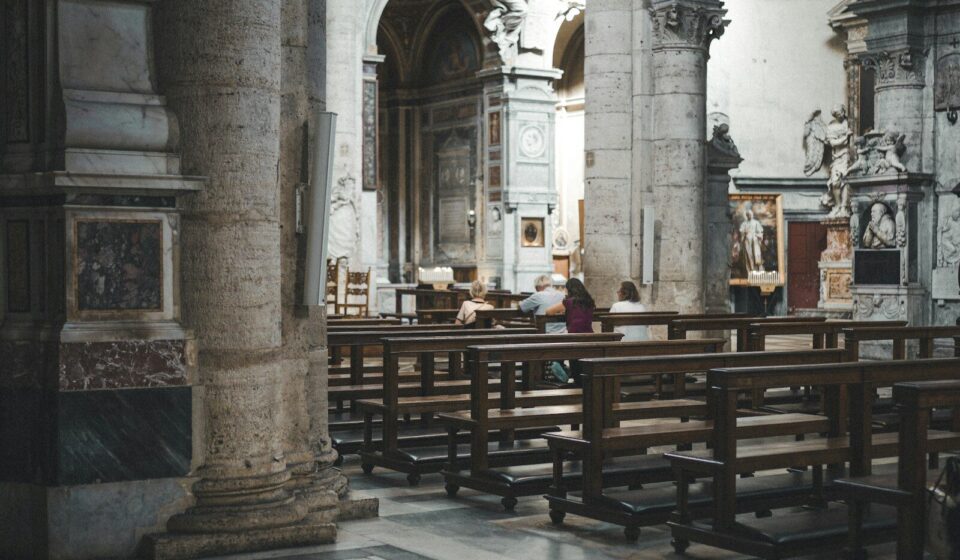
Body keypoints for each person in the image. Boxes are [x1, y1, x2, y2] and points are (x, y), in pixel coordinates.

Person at [740, 209, 764, 273]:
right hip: (747, 241)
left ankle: (757, 270)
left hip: (754, 240)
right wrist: (744, 234)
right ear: (746, 215)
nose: (749, 216)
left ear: (752, 215)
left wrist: (757, 236)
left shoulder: (756, 222)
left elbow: (760, 232)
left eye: (750, 214)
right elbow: (742, 232)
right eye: (748, 215)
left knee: (756, 255)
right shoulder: (744, 223)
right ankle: (750, 270)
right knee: (748, 255)